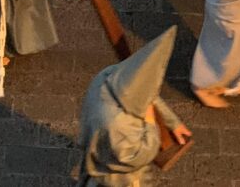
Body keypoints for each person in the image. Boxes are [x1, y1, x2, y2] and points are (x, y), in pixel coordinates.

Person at [77, 26, 191, 185]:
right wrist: (150, 124)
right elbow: (135, 156)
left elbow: (144, 91)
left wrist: (173, 122)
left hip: (95, 147)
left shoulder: (108, 76)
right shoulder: (119, 122)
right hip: (117, 177)